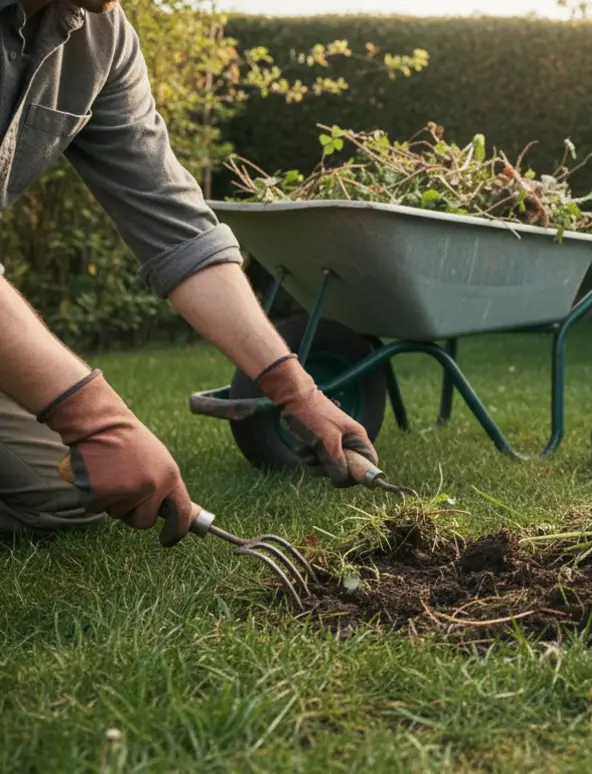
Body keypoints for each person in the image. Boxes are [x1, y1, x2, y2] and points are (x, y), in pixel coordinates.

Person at [0, 0, 377, 547]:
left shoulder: (100, 39)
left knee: (60, 492)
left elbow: (177, 231)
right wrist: (97, 418)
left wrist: (298, 391)